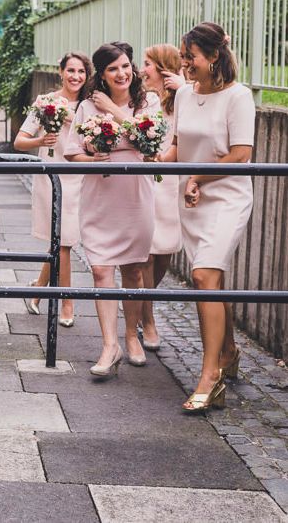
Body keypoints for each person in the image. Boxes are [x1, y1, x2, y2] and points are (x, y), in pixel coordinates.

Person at [161, 22, 254, 413]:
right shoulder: (184, 94)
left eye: (191, 58)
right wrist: (148, 159)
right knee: (211, 278)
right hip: (192, 198)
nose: (184, 65)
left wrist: (196, 177)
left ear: (214, 56)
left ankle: (210, 374)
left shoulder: (239, 97)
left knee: (202, 275)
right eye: (184, 57)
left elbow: (240, 155)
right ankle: (229, 351)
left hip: (227, 196)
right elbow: (179, 146)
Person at [64, 44, 159, 378]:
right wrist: (94, 159)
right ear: (101, 75)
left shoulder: (148, 102)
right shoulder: (87, 106)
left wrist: (115, 112)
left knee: (134, 270)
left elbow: (151, 141)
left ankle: (131, 336)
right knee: (101, 271)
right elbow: (71, 153)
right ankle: (109, 345)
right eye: (113, 69)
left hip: (136, 196)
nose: (122, 74)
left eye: (126, 67)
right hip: (100, 196)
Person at [13, 51, 90, 325]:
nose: (76, 77)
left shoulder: (90, 105)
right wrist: (41, 140)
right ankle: (67, 303)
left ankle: (38, 289)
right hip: (52, 178)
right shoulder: (45, 102)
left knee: (61, 242)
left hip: (81, 179)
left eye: (81, 72)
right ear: (60, 71)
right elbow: (19, 141)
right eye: (71, 71)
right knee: (64, 243)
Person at [138, 44, 185, 349]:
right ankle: (148, 318)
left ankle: (142, 301)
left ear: (164, 68)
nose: (142, 70)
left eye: (147, 64)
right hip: (146, 179)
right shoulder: (144, 100)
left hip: (172, 181)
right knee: (148, 251)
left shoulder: (184, 99)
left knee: (165, 248)